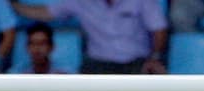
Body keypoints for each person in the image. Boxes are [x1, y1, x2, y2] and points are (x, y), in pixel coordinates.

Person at [13, 0, 168, 74]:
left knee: (159, 78)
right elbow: (45, 13)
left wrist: (154, 58)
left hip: (137, 63)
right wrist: (12, 5)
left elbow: (159, 30)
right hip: (97, 65)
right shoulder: (80, 2)